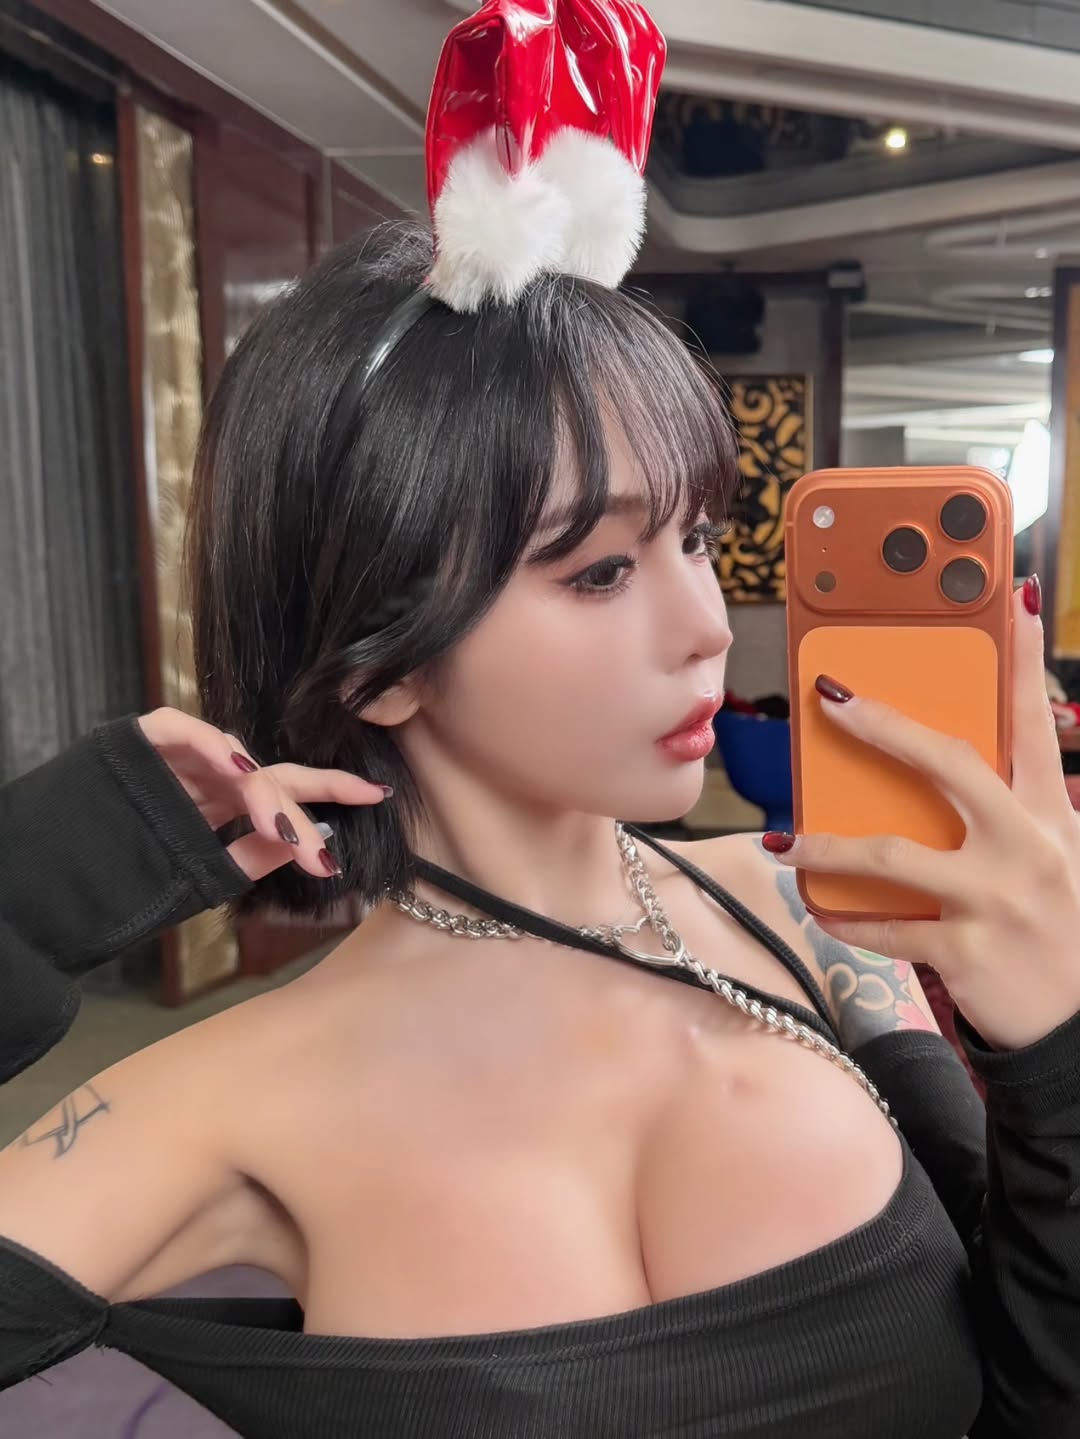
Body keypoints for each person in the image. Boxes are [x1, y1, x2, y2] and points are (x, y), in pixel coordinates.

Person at [2, 3, 1080, 1436]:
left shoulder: (804, 910)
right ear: (382, 662)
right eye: (600, 571)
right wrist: (53, 874)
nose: (707, 627)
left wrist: (1057, 1050)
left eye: (696, 539)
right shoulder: (217, 1104)